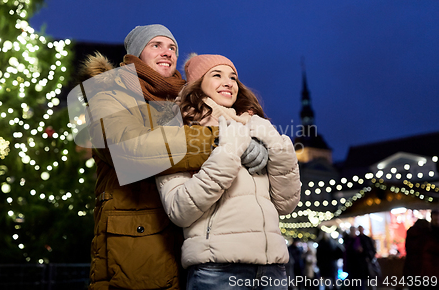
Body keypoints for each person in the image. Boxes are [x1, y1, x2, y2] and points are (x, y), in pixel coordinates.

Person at [79, 25, 269, 290]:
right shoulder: (109, 94)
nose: (167, 52)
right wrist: (221, 141)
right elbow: (131, 149)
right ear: (136, 53)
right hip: (135, 247)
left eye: (172, 47)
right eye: (156, 45)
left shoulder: (189, 101)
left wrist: (253, 135)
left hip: (194, 250)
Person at [155, 54, 301, 290]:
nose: (228, 82)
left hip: (273, 269)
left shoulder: (257, 127)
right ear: (197, 84)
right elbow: (179, 209)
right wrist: (229, 151)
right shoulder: (179, 129)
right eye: (217, 75)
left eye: (233, 77)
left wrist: (278, 147)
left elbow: (286, 205)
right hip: (217, 270)